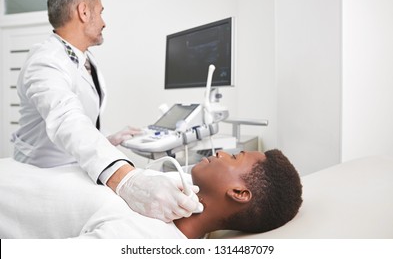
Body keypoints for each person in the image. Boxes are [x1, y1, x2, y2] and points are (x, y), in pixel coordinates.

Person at [10, 0, 199, 222]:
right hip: (46, 174)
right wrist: (126, 180)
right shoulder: (45, 61)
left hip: (74, 164)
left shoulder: (83, 58)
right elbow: (66, 119)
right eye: (100, 12)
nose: (104, 22)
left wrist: (109, 138)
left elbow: (84, 118)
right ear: (84, 11)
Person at [0, 149, 302, 239]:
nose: (222, 151)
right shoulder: (178, 185)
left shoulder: (148, 240)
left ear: (238, 192)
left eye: (235, 156)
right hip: (13, 170)